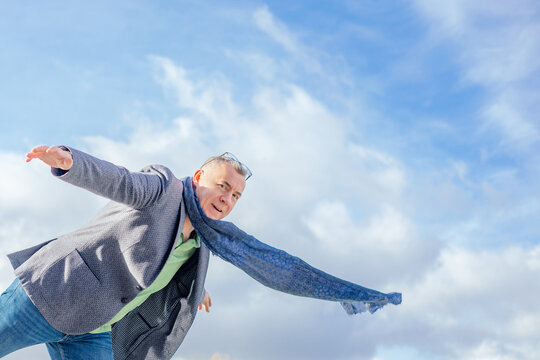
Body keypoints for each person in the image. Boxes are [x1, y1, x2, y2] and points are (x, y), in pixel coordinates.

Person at [1, 145, 401, 360]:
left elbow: (163, 261)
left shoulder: (207, 241)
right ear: (197, 178)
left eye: (236, 195)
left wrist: (193, 286)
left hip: (94, 329)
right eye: (223, 185)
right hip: (51, 295)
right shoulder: (163, 189)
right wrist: (70, 163)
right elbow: (120, 181)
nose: (227, 198)